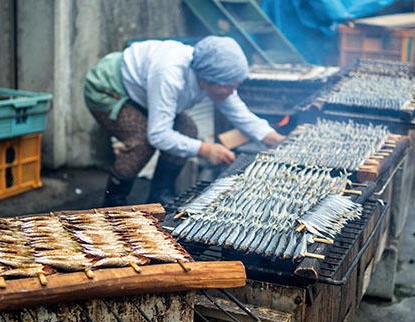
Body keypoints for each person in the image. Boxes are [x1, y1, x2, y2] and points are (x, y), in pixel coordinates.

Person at [84, 36, 285, 207]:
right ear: (208, 79)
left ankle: (159, 197)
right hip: (108, 89)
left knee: (187, 129)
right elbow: (158, 135)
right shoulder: (170, 74)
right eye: (229, 87)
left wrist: (272, 137)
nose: (232, 93)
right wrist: (206, 150)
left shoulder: (215, 76)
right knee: (142, 141)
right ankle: (113, 206)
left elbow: (239, 112)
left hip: (143, 93)